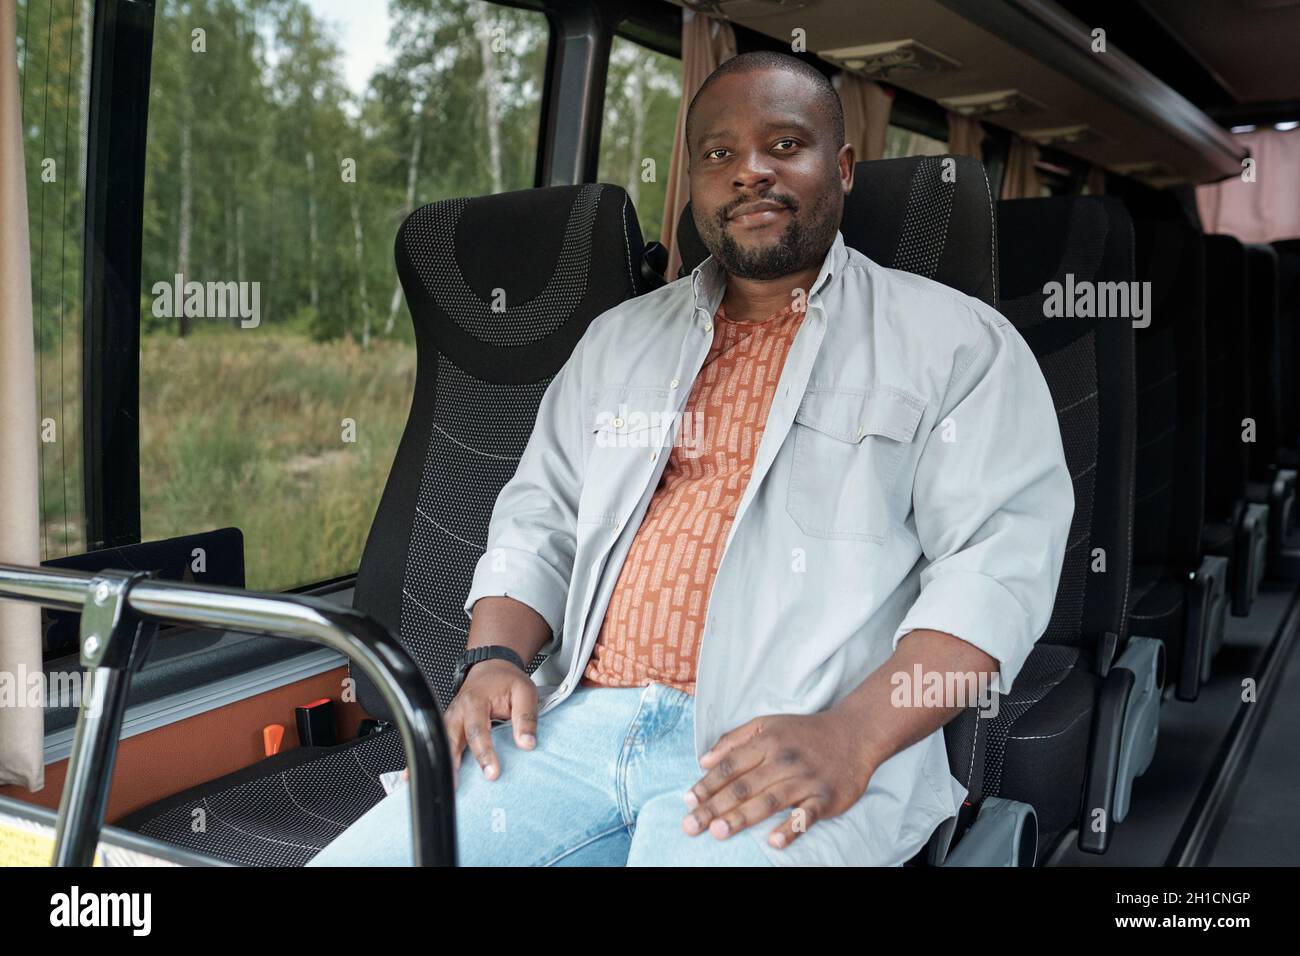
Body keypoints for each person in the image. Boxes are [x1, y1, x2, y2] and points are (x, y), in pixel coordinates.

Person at [310, 50, 1072, 867]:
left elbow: (995, 569)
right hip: (571, 725)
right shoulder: (619, 340)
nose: (749, 172)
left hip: (794, 735)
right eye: (718, 153)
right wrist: (493, 657)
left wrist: (852, 737)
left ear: (842, 168)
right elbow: (540, 515)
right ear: (695, 181)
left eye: (785, 146)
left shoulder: (955, 343)